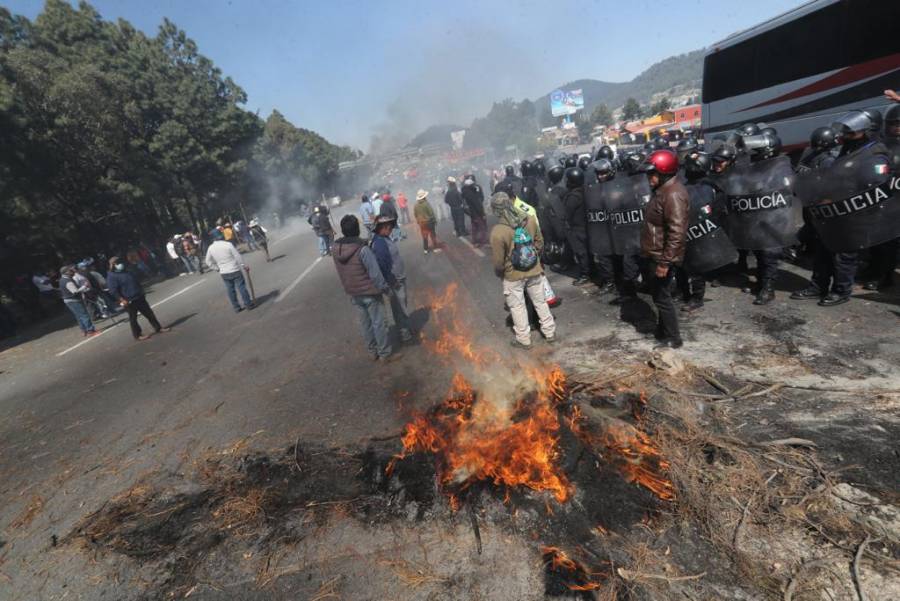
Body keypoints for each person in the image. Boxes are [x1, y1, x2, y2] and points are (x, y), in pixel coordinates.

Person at [490, 191, 556, 349]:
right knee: (540, 302)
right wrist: (534, 260)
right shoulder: (530, 219)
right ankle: (550, 333)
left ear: (496, 209)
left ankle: (524, 339)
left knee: (517, 306)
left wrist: (501, 273)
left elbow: (498, 262)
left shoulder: (498, 232)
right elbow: (540, 243)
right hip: (534, 270)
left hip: (512, 275)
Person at [332, 215, 400, 362]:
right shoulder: (363, 250)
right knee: (378, 323)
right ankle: (384, 353)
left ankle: (372, 351)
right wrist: (386, 289)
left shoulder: (336, 249)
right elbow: (375, 274)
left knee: (365, 324)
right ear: (357, 229)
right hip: (370, 292)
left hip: (354, 292)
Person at [639, 150, 689, 349]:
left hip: (661, 256)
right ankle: (662, 330)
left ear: (664, 172)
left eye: (652, 174)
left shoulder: (673, 194)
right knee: (658, 296)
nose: (648, 178)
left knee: (663, 299)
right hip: (655, 254)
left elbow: (677, 232)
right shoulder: (663, 191)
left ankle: (673, 338)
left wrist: (665, 262)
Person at [371, 214, 413, 343]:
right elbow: (382, 264)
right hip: (395, 280)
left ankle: (405, 329)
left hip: (398, 278)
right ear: (381, 227)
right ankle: (404, 333)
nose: (390, 227)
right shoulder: (379, 243)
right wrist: (391, 280)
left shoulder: (385, 238)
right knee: (399, 307)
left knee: (401, 305)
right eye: (387, 225)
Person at [106, 257, 169, 341]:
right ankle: (137, 335)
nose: (121, 264)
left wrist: (141, 291)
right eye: (118, 263)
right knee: (133, 318)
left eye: (120, 262)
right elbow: (113, 291)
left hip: (138, 296)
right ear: (113, 265)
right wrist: (121, 299)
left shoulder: (126, 271)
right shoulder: (112, 276)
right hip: (129, 300)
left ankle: (158, 328)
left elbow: (135, 281)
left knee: (149, 313)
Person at [205, 229, 255, 312]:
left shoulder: (211, 248)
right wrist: (244, 265)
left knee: (230, 290)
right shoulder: (228, 244)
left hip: (224, 272)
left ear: (213, 238)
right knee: (241, 287)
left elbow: (208, 261)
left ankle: (236, 307)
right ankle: (248, 304)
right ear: (221, 236)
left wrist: (217, 268)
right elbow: (237, 256)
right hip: (234, 269)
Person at [563, 167, 591, 286]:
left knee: (581, 253)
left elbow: (567, 214)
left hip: (577, 228)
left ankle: (585, 275)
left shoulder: (573, 197)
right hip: (587, 226)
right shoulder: (587, 191)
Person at [59, 265, 100, 337]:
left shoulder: (63, 279)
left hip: (69, 300)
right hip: (73, 300)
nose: (72, 272)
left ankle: (84, 330)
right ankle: (91, 331)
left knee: (79, 316)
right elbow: (75, 292)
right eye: (70, 271)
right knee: (84, 315)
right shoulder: (67, 281)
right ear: (66, 272)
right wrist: (85, 286)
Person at [461, 174, 488, 246]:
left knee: (474, 226)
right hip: (477, 211)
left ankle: (474, 240)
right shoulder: (473, 193)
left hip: (471, 212)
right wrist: (482, 213)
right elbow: (479, 202)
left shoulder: (465, 191)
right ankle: (483, 240)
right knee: (482, 226)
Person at [413, 189, 440, 254]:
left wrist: (418, 221)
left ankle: (425, 249)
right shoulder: (426, 203)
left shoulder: (416, 205)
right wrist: (434, 220)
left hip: (422, 223)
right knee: (432, 235)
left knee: (425, 236)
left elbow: (415, 214)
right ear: (424, 196)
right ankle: (435, 248)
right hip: (429, 222)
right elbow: (431, 213)